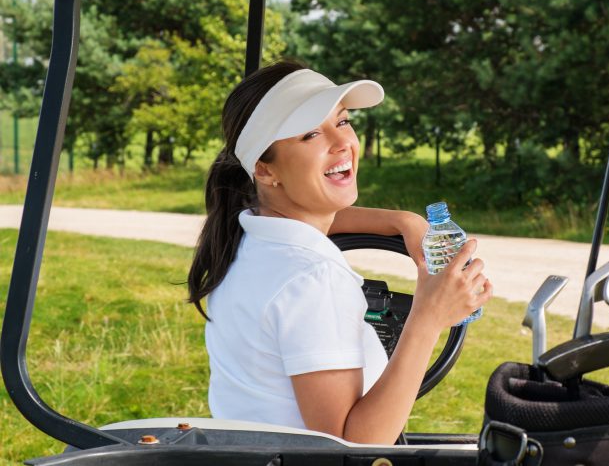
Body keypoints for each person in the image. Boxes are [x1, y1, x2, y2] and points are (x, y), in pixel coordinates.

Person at [187, 60, 492, 445]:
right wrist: (429, 318)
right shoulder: (312, 280)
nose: (342, 142)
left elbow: (319, 216)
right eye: (311, 134)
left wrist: (403, 221)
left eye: (343, 121)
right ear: (265, 171)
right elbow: (348, 449)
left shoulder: (251, 236)